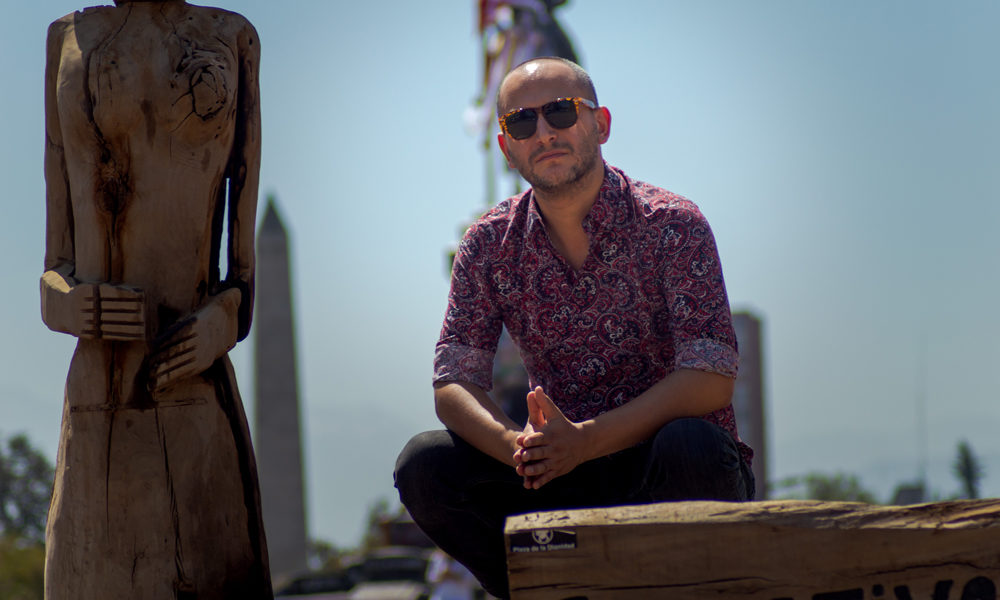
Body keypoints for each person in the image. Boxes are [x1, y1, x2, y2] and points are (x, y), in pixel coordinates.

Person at [395, 56, 753, 599]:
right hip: (557, 476)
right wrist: (522, 448)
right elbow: (453, 383)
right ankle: (543, 591)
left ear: (601, 124)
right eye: (522, 122)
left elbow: (710, 378)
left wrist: (585, 441)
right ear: (506, 148)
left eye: (561, 112)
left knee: (691, 445)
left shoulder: (673, 224)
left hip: (665, 470)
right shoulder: (488, 245)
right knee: (425, 464)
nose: (543, 133)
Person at [41, 1, 269, 597]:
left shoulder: (232, 37)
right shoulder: (66, 39)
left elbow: (242, 275)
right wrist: (72, 305)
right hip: (98, 394)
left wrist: (222, 320)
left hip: (193, 387)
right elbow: (53, 271)